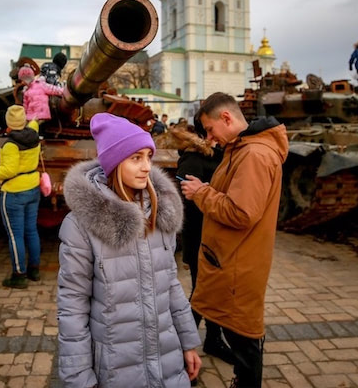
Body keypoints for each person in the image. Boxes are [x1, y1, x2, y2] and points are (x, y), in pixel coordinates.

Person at [57, 112, 202, 387]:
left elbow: (170, 284)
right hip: (116, 370)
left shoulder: (158, 215)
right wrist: (78, 377)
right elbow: (72, 306)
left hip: (167, 365)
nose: (147, 166)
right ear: (114, 163)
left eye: (149, 156)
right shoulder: (81, 226)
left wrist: (188, 342)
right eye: (136, 158)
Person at [180, 92, 288, 387]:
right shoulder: (243, 150)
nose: (211, 138)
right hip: (230, 260)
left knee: (244, 341)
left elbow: (241, 213)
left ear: (226, 118)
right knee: (239, 337)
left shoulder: (253, 155)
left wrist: (201, 193)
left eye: (211, 129)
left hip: (237, 265)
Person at [172, 119, 234, 365]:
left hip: (216, 237)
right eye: (208, 131)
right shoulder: (192, 160)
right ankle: (180, 349)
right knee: (201, 294)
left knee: (213, 292)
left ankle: (213, 339)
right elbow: (189, 205)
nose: (214, 135)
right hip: (200, 237)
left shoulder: (216, 155)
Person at [0, 105, 42, 289]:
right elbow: (34, 122)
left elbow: (9, 170)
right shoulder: (33, 133)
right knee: (31, 230)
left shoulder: (10, 145)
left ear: (8, 123)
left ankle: (19, 275)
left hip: (15, 192)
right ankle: (34, 270)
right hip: (33, 187)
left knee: (15, 236)